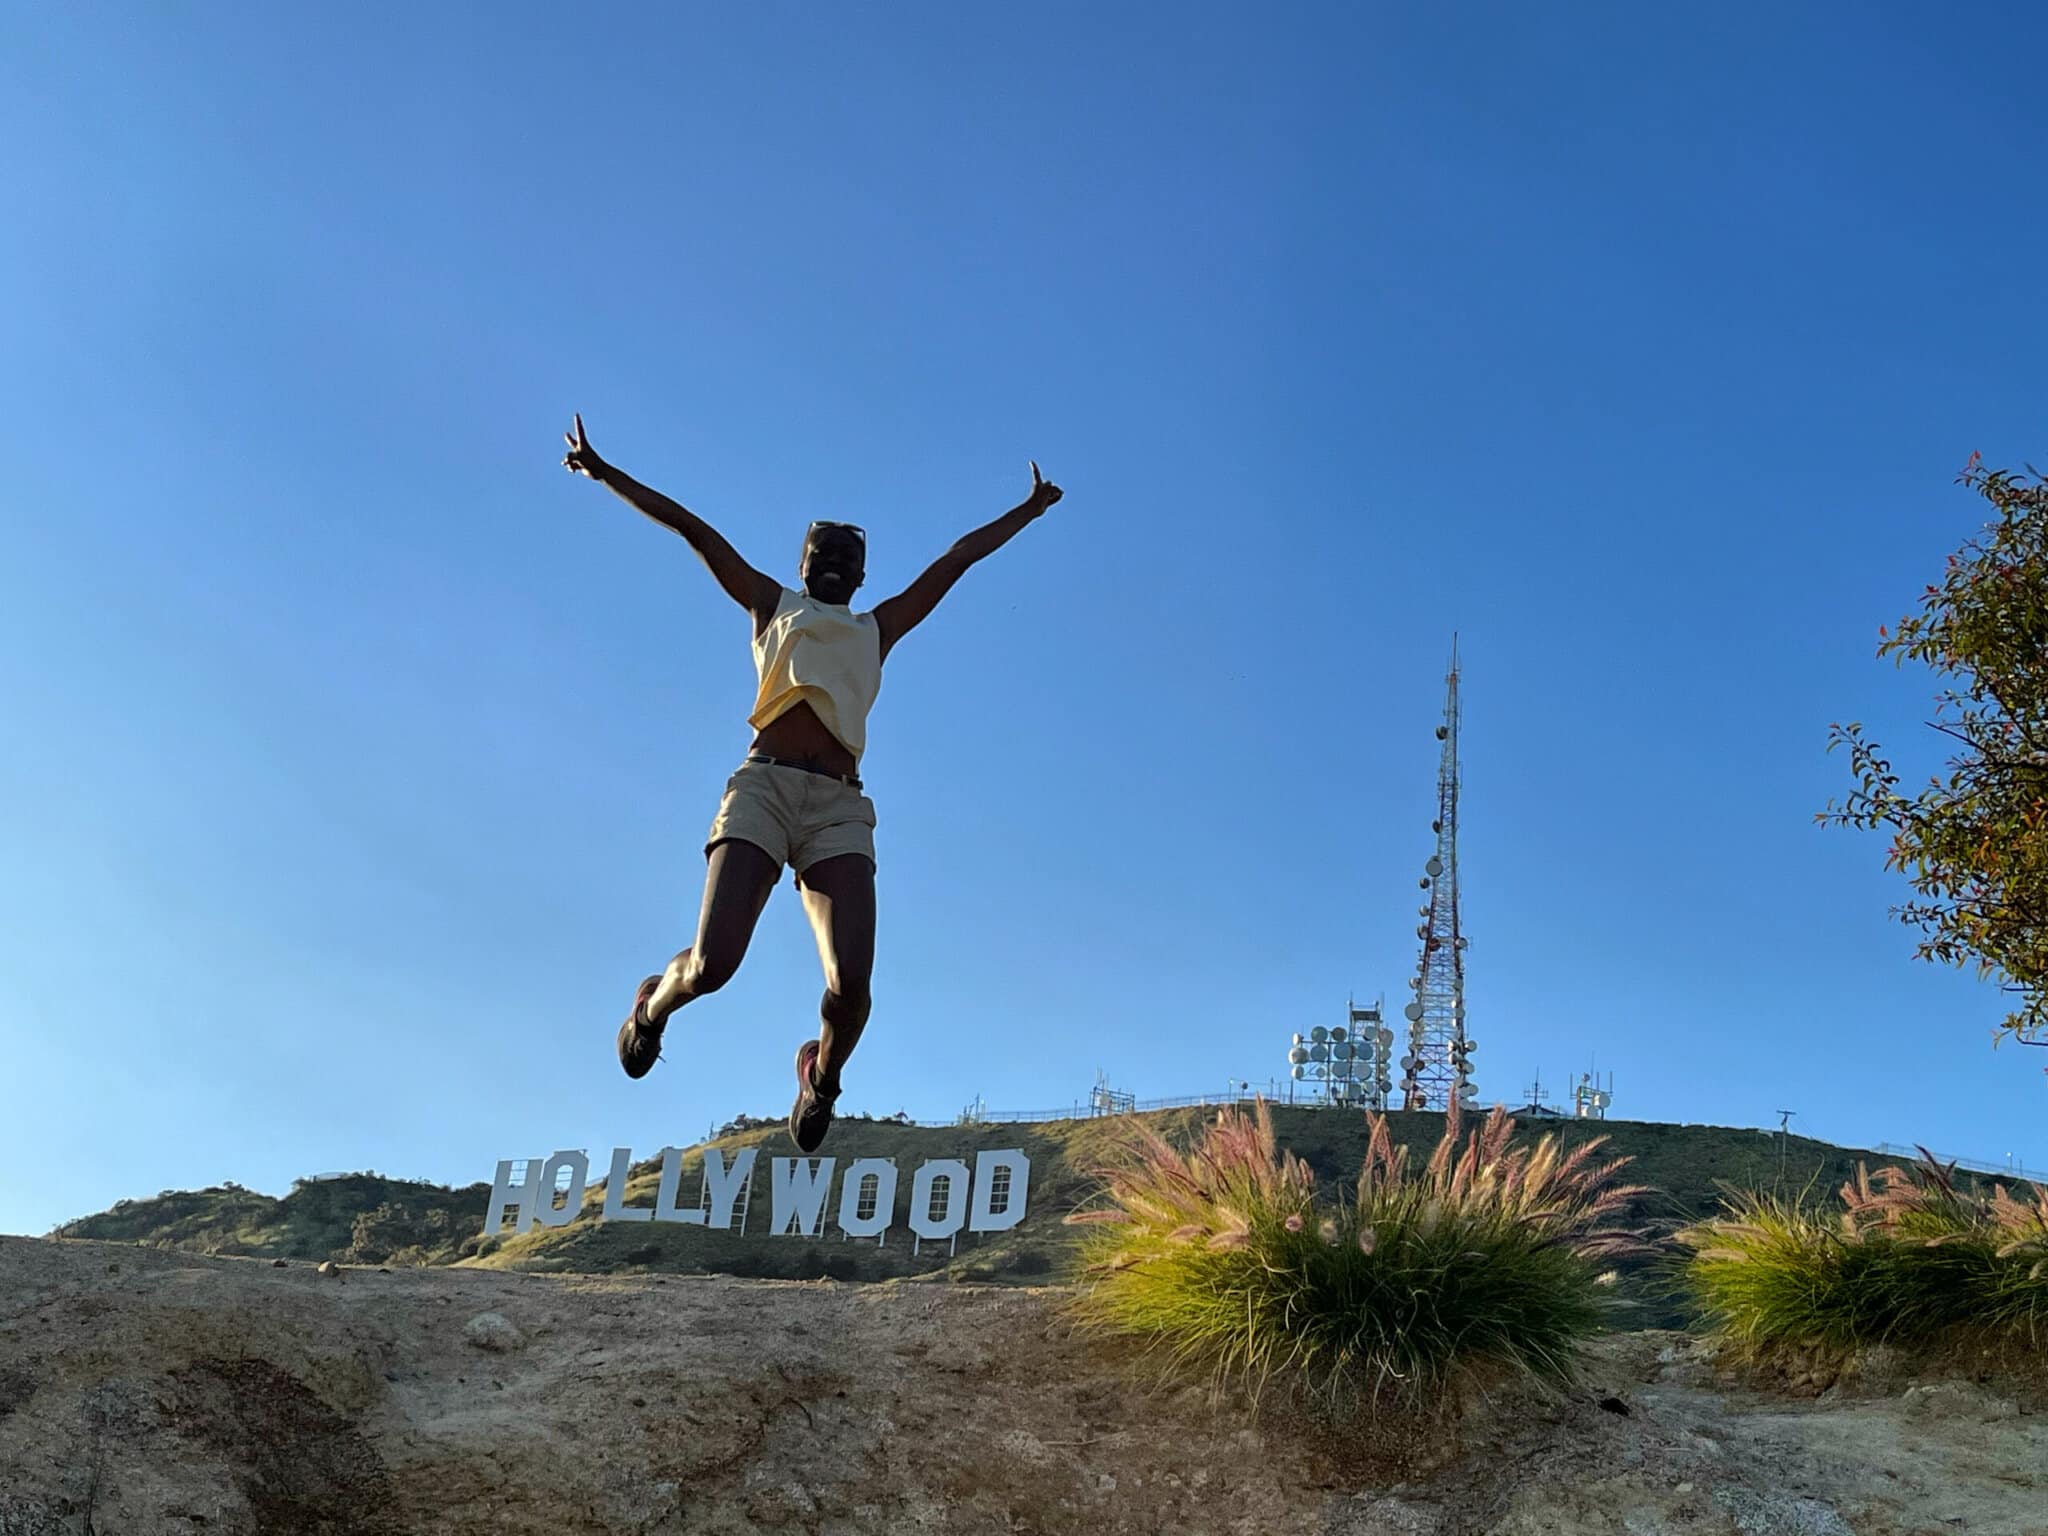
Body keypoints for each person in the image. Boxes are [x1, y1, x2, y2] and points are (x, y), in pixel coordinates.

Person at [561, 415, 1063, 1152]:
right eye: (819, 553)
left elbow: (955, 562)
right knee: (713, 965)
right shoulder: (773, 607)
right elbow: (696, 532)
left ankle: (820, 1079)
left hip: (837, 807)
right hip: (762, 789)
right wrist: (606, 474)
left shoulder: (877, 629)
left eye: (845, 558)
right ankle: (652, 1007)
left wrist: (1025, 511)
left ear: (861, 576)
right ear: (801, 565)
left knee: (850, 987)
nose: (831, 563)